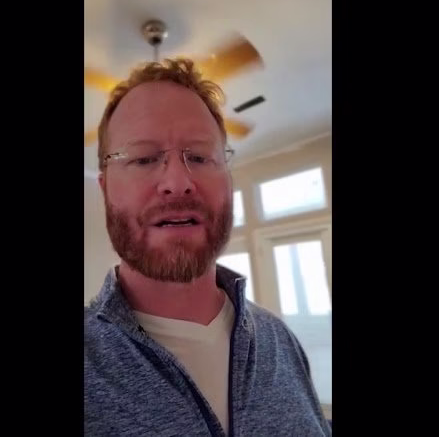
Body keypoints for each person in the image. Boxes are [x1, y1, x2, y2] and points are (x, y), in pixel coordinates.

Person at [84, 58, 331, 436]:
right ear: (105, 189)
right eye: (144, 158)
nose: (177, 182)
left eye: (200, 157)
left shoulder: (281, 340)